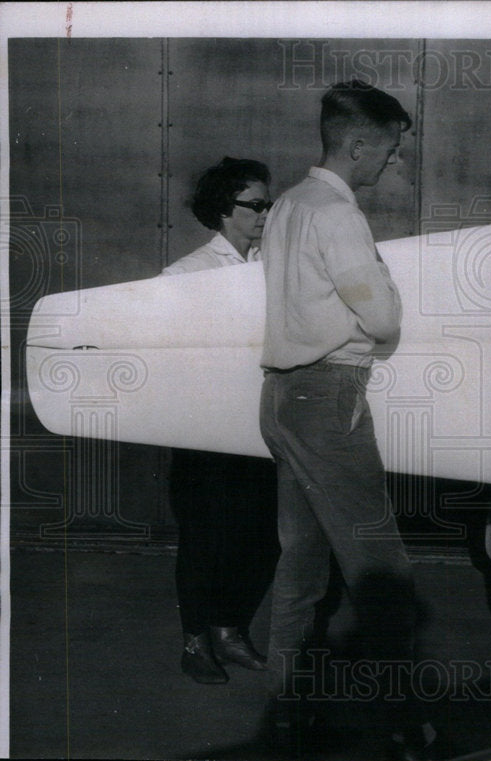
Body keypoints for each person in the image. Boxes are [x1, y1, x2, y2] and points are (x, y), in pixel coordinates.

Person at [258, 81, 443, 758]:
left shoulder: (287, 205)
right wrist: (388, 281)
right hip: (328, 398)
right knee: (380, 566)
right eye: (388, 151)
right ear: (358, 143)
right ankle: (404, 725)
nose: (390, 164)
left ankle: (284, 713)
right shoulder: (338, 214)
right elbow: (384, 317)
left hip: (281, 398)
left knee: (303, 563)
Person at [161, 157, 280, 684]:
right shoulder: (185, 274)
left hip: (259, 426)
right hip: (204, 431)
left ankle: (230, 632)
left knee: (260, 537)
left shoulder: (271, 267)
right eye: (256, 205)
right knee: (206, 538)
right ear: (223, 209)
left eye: (268, 204)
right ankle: (195, 642)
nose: (265, 214)